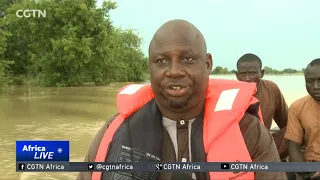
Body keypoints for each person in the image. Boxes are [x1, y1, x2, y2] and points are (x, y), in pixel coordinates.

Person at [77, 20, 287, 180]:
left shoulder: (249, 133)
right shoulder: (113, 132)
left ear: (207, 64)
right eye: (161, 61)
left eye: (187, 59)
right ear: (149, 68)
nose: (174, 71)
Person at [236, 53, 289, 159]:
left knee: (294, 128)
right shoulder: (230, 92)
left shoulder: (271, 88)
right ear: (237, 75)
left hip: (266, 144)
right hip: (238, 146)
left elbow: (285, 121)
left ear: (262, 73)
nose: (247, 78)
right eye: (243, 74)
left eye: (252, 73)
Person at [285, 58, 320, 180]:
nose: (316, 86)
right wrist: (304, 172)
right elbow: (294, 146)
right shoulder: (298, 107)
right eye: (310, 81)